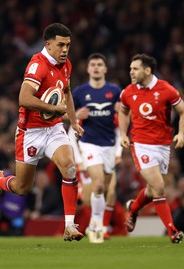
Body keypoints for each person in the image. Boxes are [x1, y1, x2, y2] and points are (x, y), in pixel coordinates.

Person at [0, 23, 85, 241]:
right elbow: (24, 98)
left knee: (69, 167)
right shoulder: (37, 65)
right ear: (48, 44)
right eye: (60, 45)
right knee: (22, 187)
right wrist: (53, 108)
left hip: (53, 129)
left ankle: (69, 225)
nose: (65, 50)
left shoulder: (66, 65)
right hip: (29, 132)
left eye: (68, 45)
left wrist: (73, 120)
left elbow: (66, 92)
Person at [118, 53, 184, 243]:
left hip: (163, 146)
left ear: (147, 70)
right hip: (141, 144)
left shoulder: (166, 89)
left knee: (152, 190)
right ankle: (173, 231)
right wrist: (123, 134)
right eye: (130, 68)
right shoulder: (128, 91)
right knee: (159, 187)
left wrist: (181, 134)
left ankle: (133, 208)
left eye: (135, 69)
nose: (131, 72)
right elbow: (123, 110)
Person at [71, 53, 122, 243]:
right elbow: (69, 120)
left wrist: (123, 112)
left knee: (106, 189)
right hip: (89, 144)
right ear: (88, 69)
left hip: (108, 145)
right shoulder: (80, 92)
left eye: (100, 64)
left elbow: (124, 121)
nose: (96, 67)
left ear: (105, 69)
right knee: (98, 183)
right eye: (93, 64)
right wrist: (76, 114)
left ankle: (95, 225)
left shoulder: (115, 91)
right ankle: (97, 227)